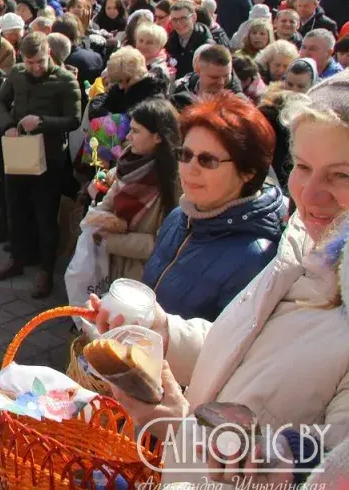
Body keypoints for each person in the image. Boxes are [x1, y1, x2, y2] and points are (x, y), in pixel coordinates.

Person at [89, 72, 349, 487]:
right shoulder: (303, 250)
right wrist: (163, 330)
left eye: (342, 175)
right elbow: (246, 348)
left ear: (247, 172)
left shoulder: (266, 249)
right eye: (302, 166)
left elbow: (322, 467)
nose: (310, 193)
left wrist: (180, 426)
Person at [142, 93, 284, 320]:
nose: (190, 168)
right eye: (185, 155)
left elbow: (228, 347)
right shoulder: (180, 216)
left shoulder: (256, 257)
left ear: (248, 172)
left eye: (207, 160)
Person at [0, 32, 82, 295]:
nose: (35, 67)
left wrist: (41, 121)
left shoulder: (65, 80)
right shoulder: (17, 74)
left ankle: (46, 270)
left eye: (40, 61)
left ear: (49, 54)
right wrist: (7, 124)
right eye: (30, 63)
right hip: (19, 152)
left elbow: (74, 119)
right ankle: (18, 259)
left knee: (45, 216)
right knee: (16, 210)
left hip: (49, 158)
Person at [83, 98, 181, 282]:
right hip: (110, 268)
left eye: (135, 131)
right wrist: (100, 221)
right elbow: (106, 205)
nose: (128, 136)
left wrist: (110, 240)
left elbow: (164, 243)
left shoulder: (175, 181)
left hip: (142, 278)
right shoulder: (128, 165)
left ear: (157, 137)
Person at [89, 47, 169, 120]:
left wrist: (115, 120)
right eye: (117, 81)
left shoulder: (154, 93)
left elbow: (141, 119)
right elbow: (99, 102)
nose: (120, 86)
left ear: (136, 74)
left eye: (120, 81)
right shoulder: (122, 83)